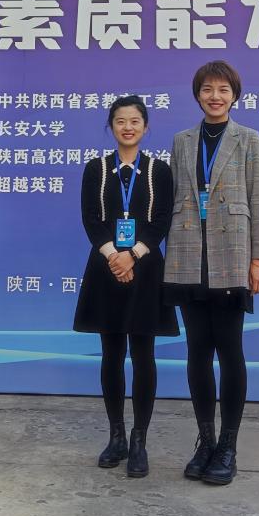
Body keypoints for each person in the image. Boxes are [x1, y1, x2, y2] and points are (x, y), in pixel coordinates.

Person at [164, 60, 259, 486]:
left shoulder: (248, 138)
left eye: (223, 89)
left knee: (230, 351)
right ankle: (205, 442)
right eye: (207, 89)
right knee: (197, 352)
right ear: (197, 95)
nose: (215, 96)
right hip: (188, 253)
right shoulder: (182, 140)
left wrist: (258, 260)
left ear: (234, 95)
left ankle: (228, 446)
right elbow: (173, 195)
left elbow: (258, 199)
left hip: (232, 255)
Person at [73, 95, 178, 478]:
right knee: (112, 354)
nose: (128, 127)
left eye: (135, 121)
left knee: (143, 355)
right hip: (105, 269)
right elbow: (90, 218)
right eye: (120, 121)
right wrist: (113, 257)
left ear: (145, 127)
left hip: (146, 268)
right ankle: (116, 436)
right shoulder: (96, 168)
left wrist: (132, 255)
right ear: (111, 126)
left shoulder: (159, 171)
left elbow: (161, 220)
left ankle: (139, 441)